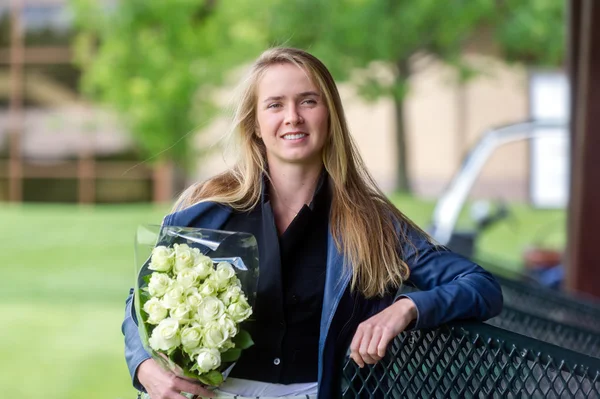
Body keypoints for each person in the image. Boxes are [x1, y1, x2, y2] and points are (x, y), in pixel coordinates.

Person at [122, 47, 503, 399]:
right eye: (275, 105)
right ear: (255, 123)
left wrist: (406, 307)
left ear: (330, 115)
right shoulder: (210, 209)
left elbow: (480, 286)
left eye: (308, 101)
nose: (293, 117)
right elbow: (141, 298)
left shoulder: (371, 223)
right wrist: (143, 365)